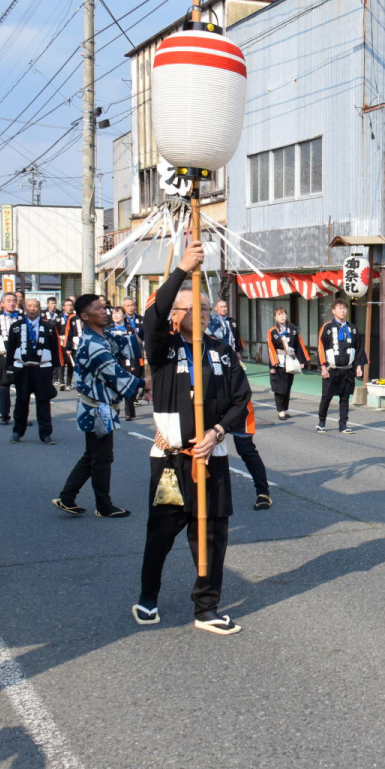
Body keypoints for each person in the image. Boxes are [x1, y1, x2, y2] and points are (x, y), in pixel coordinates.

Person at [133, 240, 251, 635]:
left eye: (202, 308)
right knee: (162, 532)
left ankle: (207, 607)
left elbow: (241, 399)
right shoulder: (163, 348)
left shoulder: (221, 350)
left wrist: (217, 432)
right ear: (175, 314)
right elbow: (153, 315)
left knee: (213, 533)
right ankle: (148, 597)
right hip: (169, 460)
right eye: (188, 308)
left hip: (210, 457)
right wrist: (183, 268)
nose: (198, 314)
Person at [54, 293, 146, 518]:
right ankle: (103, 506)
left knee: (93, 456)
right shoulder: (93, 344)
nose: (104, 311)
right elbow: (115, 375)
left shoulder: (102, 335)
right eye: (98, 308)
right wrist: (145, 383)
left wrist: (152, 323)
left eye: (104, 307)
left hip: (98, 407)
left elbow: (128, 343)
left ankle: (67, 497)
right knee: (102, 458)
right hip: (96, 409)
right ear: (85, 316)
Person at [205, 307, 271, 509]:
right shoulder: (195, 351)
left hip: (237, 404)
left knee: (245, 449)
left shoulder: (227, 353)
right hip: (213, 405)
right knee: (206, 447)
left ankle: (263, 492)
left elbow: (242, 393)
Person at [4, 297, 59, 444]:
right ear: (25, 308)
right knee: (21, 401)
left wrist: (54, 369)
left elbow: (55, 348)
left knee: (43, 401)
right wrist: (9, 368)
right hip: (23, 369)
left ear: (39, 308)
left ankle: (46, 433)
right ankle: (17, 432)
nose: (32, 309)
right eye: (29, 306)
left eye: (35, 306)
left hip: (42, 369)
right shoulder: (16, 326)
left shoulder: (49, 326)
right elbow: (10, 348)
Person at [316, 299, 366, 433]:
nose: (343, 311)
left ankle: (343, 424)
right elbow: (321, 347)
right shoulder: (327, 327)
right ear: (333, 311)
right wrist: (323, 367)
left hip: (348, 369)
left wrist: (359, 366)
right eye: (340, 308)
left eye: (344, 308)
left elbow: (359, 348)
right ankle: (321, 422)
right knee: (326, 397)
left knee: (345, 398)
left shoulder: (353, 328)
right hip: (331, 369)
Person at [266, 307, 309, 419]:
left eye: (284, 314)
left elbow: (298, 344)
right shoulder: (272, 331)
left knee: (288, 385)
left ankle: (285, 409)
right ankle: (280, 410)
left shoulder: (292, 328)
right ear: (275, 317)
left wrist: (301, 360)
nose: (282, 316)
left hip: (291, 360)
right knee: (280, 387)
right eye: (279, 315)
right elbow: (270, 348)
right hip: (279, 361)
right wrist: (272, 365)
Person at [0, 292, 24, 425]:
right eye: (8, 300)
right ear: (2, 303)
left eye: (13, 301)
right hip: (2, 355)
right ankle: (4, 415)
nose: (11, 303)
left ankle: (21, 415)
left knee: (22, 386)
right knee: (4, 384)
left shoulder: (22, 317)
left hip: (20, 356)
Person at [107, 305, 144, 420]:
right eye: (114, 313)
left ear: (124, 315)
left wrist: (133, 364)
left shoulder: (129, 329)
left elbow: (135, 347)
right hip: (113, 361)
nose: (116, 315)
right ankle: (114, 408)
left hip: (127, 361)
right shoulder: (108, 329)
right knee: (114, 386)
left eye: (118, 313)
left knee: (129, 386)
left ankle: (129, 412)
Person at [55, 297, 76, 390]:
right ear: (63, 307)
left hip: (72, 342)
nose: (70, 307)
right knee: (61, 362)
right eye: (67, 305)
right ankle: (61, 382)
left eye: (71, 305)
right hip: (61, 342)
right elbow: (55, 330)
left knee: (71, 363)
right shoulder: (59, 318)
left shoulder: (75, 317)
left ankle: (69, 382)